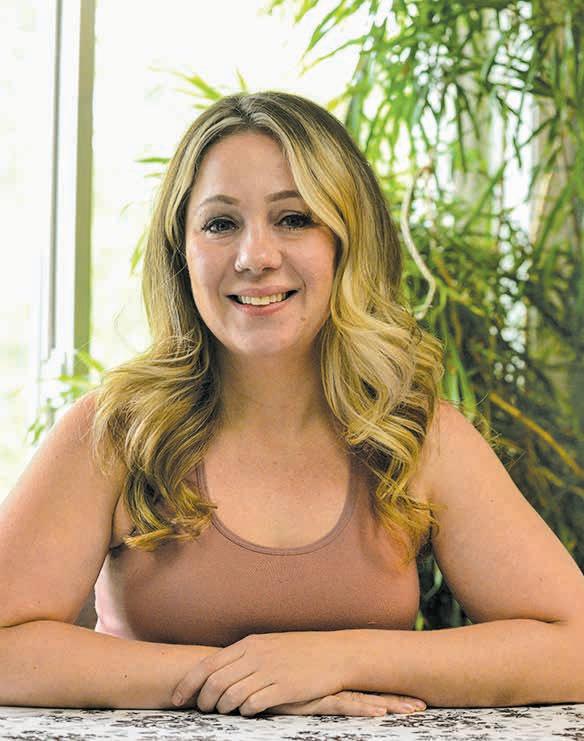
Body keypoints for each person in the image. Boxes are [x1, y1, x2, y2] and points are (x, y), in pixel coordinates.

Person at [1, 92, 583, 719]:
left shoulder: (416, 434)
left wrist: (336, 659)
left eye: (295, 218)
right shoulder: (114, 431)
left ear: (346, 244)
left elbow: (573, 645)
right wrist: (247, 681)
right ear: (180, 251)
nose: (256, 257)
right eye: (220, 224)